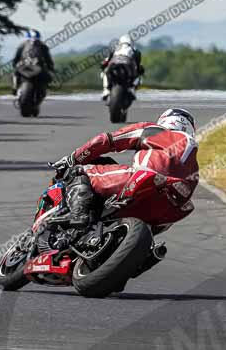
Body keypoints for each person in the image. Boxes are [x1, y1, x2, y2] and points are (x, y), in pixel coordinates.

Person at [51, 108, 198, 228]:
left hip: (146, 178)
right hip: (173, 204)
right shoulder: (194, 159)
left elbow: (105, 141)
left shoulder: (155, 130)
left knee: (80, 171)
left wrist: (72, 159)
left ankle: (78, 214)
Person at [100, 34, 144, 101]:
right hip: (128, 67)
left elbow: (106, 61)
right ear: (131, 43)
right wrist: (140, 70)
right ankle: (132, 89)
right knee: (138, 76)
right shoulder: (135, 50)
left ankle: (106, 90)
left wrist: (103, 66)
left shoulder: (115, 48)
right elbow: (138, 65)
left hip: (113, 66)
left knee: (105, 73)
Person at [12, 29, 55, 94]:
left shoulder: (22, 45)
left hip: (25, 65)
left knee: (15, 73)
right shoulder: (43, 46)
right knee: (48, 75)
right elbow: (48, 59)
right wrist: (51, 68)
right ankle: (46, 87)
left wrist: (15, 65)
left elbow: (16, 57)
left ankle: (14, 87)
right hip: (37, 67)